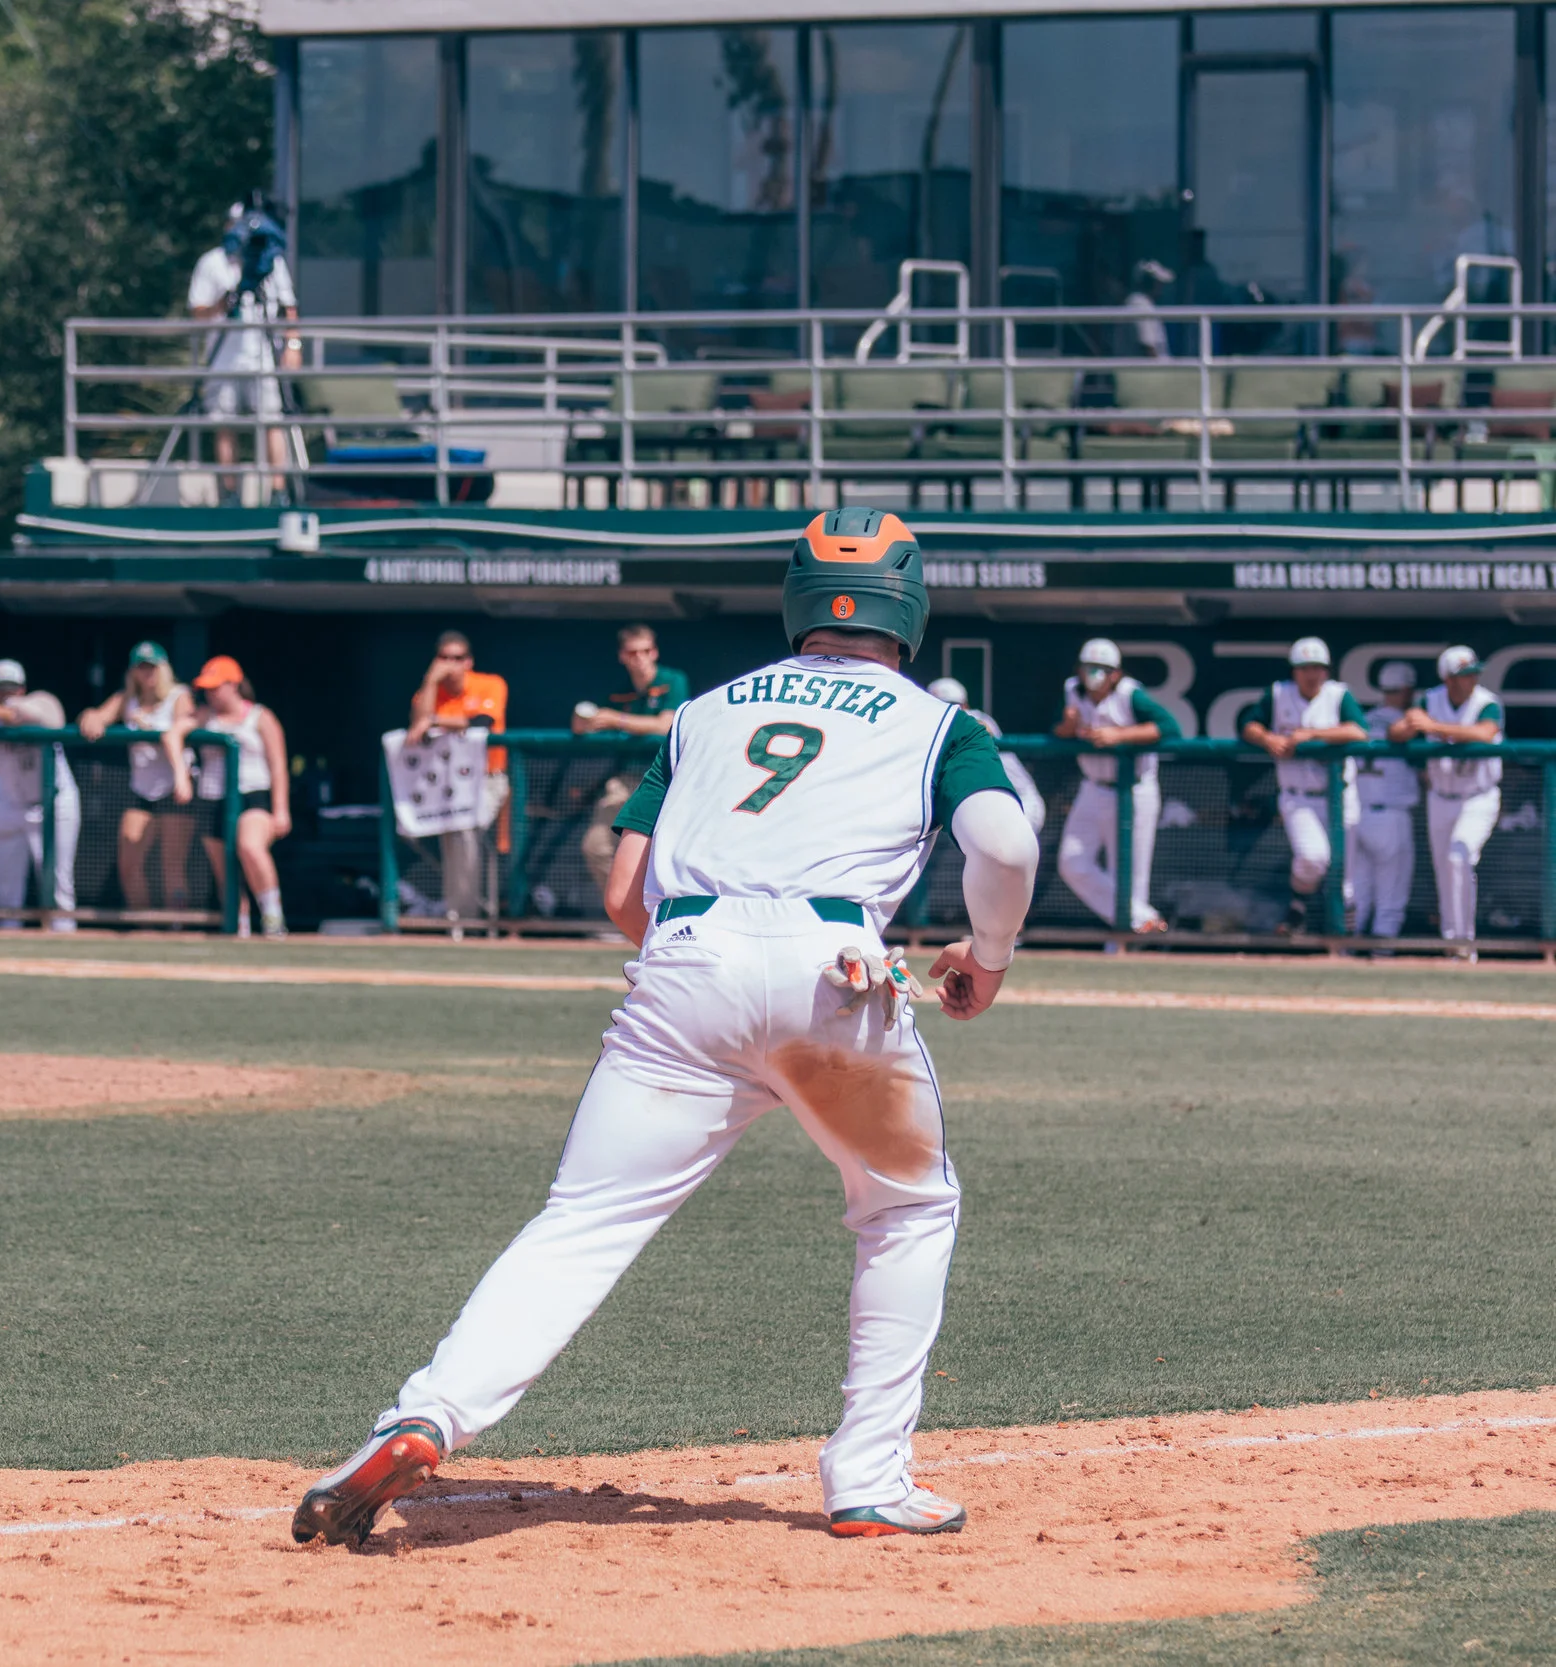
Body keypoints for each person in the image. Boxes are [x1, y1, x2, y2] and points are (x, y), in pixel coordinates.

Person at [292, 509, 1039, 1548]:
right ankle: (866, 1475)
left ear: (797, 598)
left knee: (581, 1220)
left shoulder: (705, 711)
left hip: (684, 958)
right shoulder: (937, 722)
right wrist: (986, 956)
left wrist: (709, 967)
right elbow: (1003, 839)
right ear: (907, 606)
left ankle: (423, 1414)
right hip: (833, 968)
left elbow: (622, 890)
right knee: (906, 1208)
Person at [1240, 636, 1368, 935]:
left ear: (1326, 671)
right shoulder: (1278, 694)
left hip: (1340, 796)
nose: (1312, 674)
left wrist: (1311, 735)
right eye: (1305, 668)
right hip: (1299, 797)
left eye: (1318, 668)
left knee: (1345, 880)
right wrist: (1267, 738)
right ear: (1294, 671)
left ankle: (1343, 947)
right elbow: (1248, 725)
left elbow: (1359, 731)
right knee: (1313, 858)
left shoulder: (1338, 695)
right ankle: (1299, 903)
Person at [1051, 639, 1178, 932]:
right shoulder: (1072, 690)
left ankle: (1126, 941)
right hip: (1093, 787)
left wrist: (1120, 735)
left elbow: (1170, 727)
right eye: (1089, 668)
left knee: (1131, 873)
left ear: (1115, 674)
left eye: (1102, 670)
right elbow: (1056, 731)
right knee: (1072, 862)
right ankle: (1143, 919)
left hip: (1134, 789)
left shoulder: (1130, 694)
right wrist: (1069, 727)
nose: (1095, 675)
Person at [1391, 645, 1504, 953]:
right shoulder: (1431, 699)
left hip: (1478, 797)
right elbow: (1396, 733)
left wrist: (1434, 727)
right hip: (1440, 797)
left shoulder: (1487, 702)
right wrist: (1409, 722)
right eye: (1464, 675)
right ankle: (1451, 944)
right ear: (1448, 679)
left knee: (1459, 857)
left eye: (1473, 673)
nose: (1471, 679)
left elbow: (1485, 733)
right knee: (1445, 870)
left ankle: (1464, 943)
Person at [0, 658, 80, 929]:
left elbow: (46, 718)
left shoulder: (43, 701)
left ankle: (63, 938)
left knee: (57, 883)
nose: (5, 694)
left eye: (11, 688)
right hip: (13, 805)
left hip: (54, 804)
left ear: (22, 688)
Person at [189, 202, 301, 489]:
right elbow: (197, 312)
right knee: (224, 425)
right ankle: (229, 493)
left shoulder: (271, 261)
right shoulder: (211, 262)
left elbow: (289, 308)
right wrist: (224, 303)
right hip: (223, 360)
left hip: (262, 357)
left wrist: (293, 345)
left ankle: (279, 492)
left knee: (271, 422)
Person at [79, 641, 195, 913]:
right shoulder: (126, 699)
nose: (147, 673)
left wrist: (150, 726)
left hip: (174, 786)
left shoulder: (179, 696)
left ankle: (177, 928)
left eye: (152, 667)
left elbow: (182, 727)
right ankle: (146, 926)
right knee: (129, 864)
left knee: (172, 866)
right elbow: (97, 716)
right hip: (141, 789)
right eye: (141, 667)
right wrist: (91, 717)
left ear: (164, 668)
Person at [575, 624, 692, 894]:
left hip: (669, 779)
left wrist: (618, 720)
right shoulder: (621, 692)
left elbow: (666, 725)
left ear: (655, 652)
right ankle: (627, 915)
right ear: (623, 656)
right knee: (597, 845)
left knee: (666, 850)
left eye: (646, 651)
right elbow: (585, 727)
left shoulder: (672, 680)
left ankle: (660, 913)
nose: (640, 658)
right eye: (633, 652)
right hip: (626, 780)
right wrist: (585, 719)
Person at [407, 630, 509, 926]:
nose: (451, 664)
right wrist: (430, 680)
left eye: (457, 658)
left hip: (488, 779)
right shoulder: (431, 690)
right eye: (444, 658)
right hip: (445, 785)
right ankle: (456, 913)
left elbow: (482, 722)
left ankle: (466, 918)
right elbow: (417, 724)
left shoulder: (490, 683)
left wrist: (435, 720)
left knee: (466, 831)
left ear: (469, 661)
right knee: (450, 840)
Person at [189, 655, 290, 939]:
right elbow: (175, 731)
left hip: (253, 796)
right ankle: (240, 925)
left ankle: (272, 916)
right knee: (225, 872)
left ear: (233, 685)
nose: (210, 693)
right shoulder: (203, 716)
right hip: (212, 798)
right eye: (206, 688)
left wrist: (281, 810)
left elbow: (279, 765)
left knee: (249, 847)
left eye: (216, 687)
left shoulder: (261, 716)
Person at [1349, 661, 1422, 941]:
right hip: (1391, 816)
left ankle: (1344, 954)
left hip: (1358, 815)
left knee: (1359, 893)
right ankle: (1382, 956)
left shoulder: (1361, 721)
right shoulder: (1407, 727)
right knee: (1390, 898)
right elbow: (1426, 773)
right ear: (1406, 690)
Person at [926, 677, 1044, 832]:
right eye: (939, 705)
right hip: (990, 805)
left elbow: (982, 727)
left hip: (1019, 801)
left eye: (953, 705)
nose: (947, 709)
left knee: (1005, 853)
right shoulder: (935, 726)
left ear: (964, 704)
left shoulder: (975, 717)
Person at [1124, 259, 1174, 358]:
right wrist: (1159, 369)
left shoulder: (1144, 302)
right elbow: (1148, 345)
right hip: (1147, 370)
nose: (1161, 286)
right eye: (1158, 282)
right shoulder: (1139, 304)